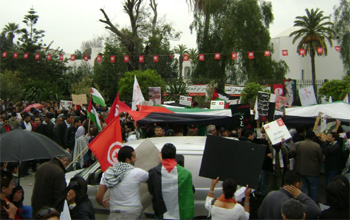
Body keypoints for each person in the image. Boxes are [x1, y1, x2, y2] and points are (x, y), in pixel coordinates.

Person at [96, 146, 148, 220]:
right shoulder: (136, 172)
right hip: (133, 213)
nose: (135, 159)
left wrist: (102, 203)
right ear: (127, 160)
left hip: (115, 214)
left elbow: (98, 196)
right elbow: (153, 179)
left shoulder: (108, 174)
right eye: (134, 157)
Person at [148, 143, 194, 219]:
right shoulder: (186, 173)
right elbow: (191, 190)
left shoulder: (153, 173)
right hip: (179, 214)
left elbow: (151, 191)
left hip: (161, 214)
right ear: (175, 155)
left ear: (161, 155)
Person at [289, 130, 324, 202]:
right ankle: (313, 204)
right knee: (313, 189)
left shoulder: (298, 144)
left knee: (302, 189)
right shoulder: (316, 146)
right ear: (313, 137)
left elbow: (291, 154)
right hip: (313, 172)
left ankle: (303, 203)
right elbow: (321, 159)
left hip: (300, 170)